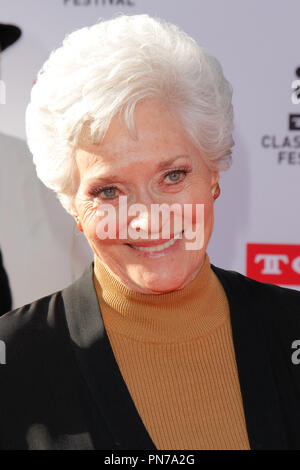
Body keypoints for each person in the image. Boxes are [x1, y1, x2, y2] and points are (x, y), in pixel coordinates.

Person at [0, 14, 299, 451]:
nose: (146, 218)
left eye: (173, 176)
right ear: (73, 207)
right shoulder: (14, 361)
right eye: (108, 190)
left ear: (213, 173)